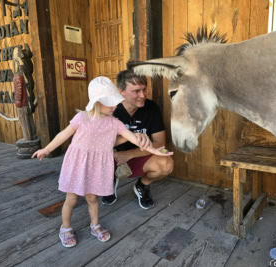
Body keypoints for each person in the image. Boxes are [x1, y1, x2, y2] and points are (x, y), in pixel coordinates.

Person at [32, 77, 172, 248]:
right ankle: (66, 228)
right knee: (71, 198)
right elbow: (63, 134)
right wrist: (46, 149)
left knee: (92, 198)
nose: (115, 107)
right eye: (110, 103)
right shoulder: (81, 118)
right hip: (77, 164)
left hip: (97, 166)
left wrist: (154, 150)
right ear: (97, 102)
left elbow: (135, 139)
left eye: (115, 102)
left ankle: (95, 225)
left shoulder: (115, 123)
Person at [101, 70, 174, 209]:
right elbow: (96, 143)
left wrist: (129, 154)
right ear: (121, 91)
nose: (143, 95)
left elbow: (160, 143)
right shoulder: (110, 109)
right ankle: (108, 181)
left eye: (144, 89)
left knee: (166, 163)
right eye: (136, 91)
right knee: (95, 155)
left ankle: (142, 185)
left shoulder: (151, 107)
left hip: (139, 155)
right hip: (111, 157)